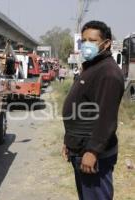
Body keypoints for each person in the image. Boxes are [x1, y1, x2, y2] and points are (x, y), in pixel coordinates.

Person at [62, 21, 124, 200]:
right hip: (80, 149)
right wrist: (69, 140)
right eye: (84, 40)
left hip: (93, 155)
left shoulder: (108, 73)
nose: (86, 44)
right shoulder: (92, 67)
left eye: (92, 40)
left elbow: (106, 117)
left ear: (106, 43)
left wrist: (93, 151)